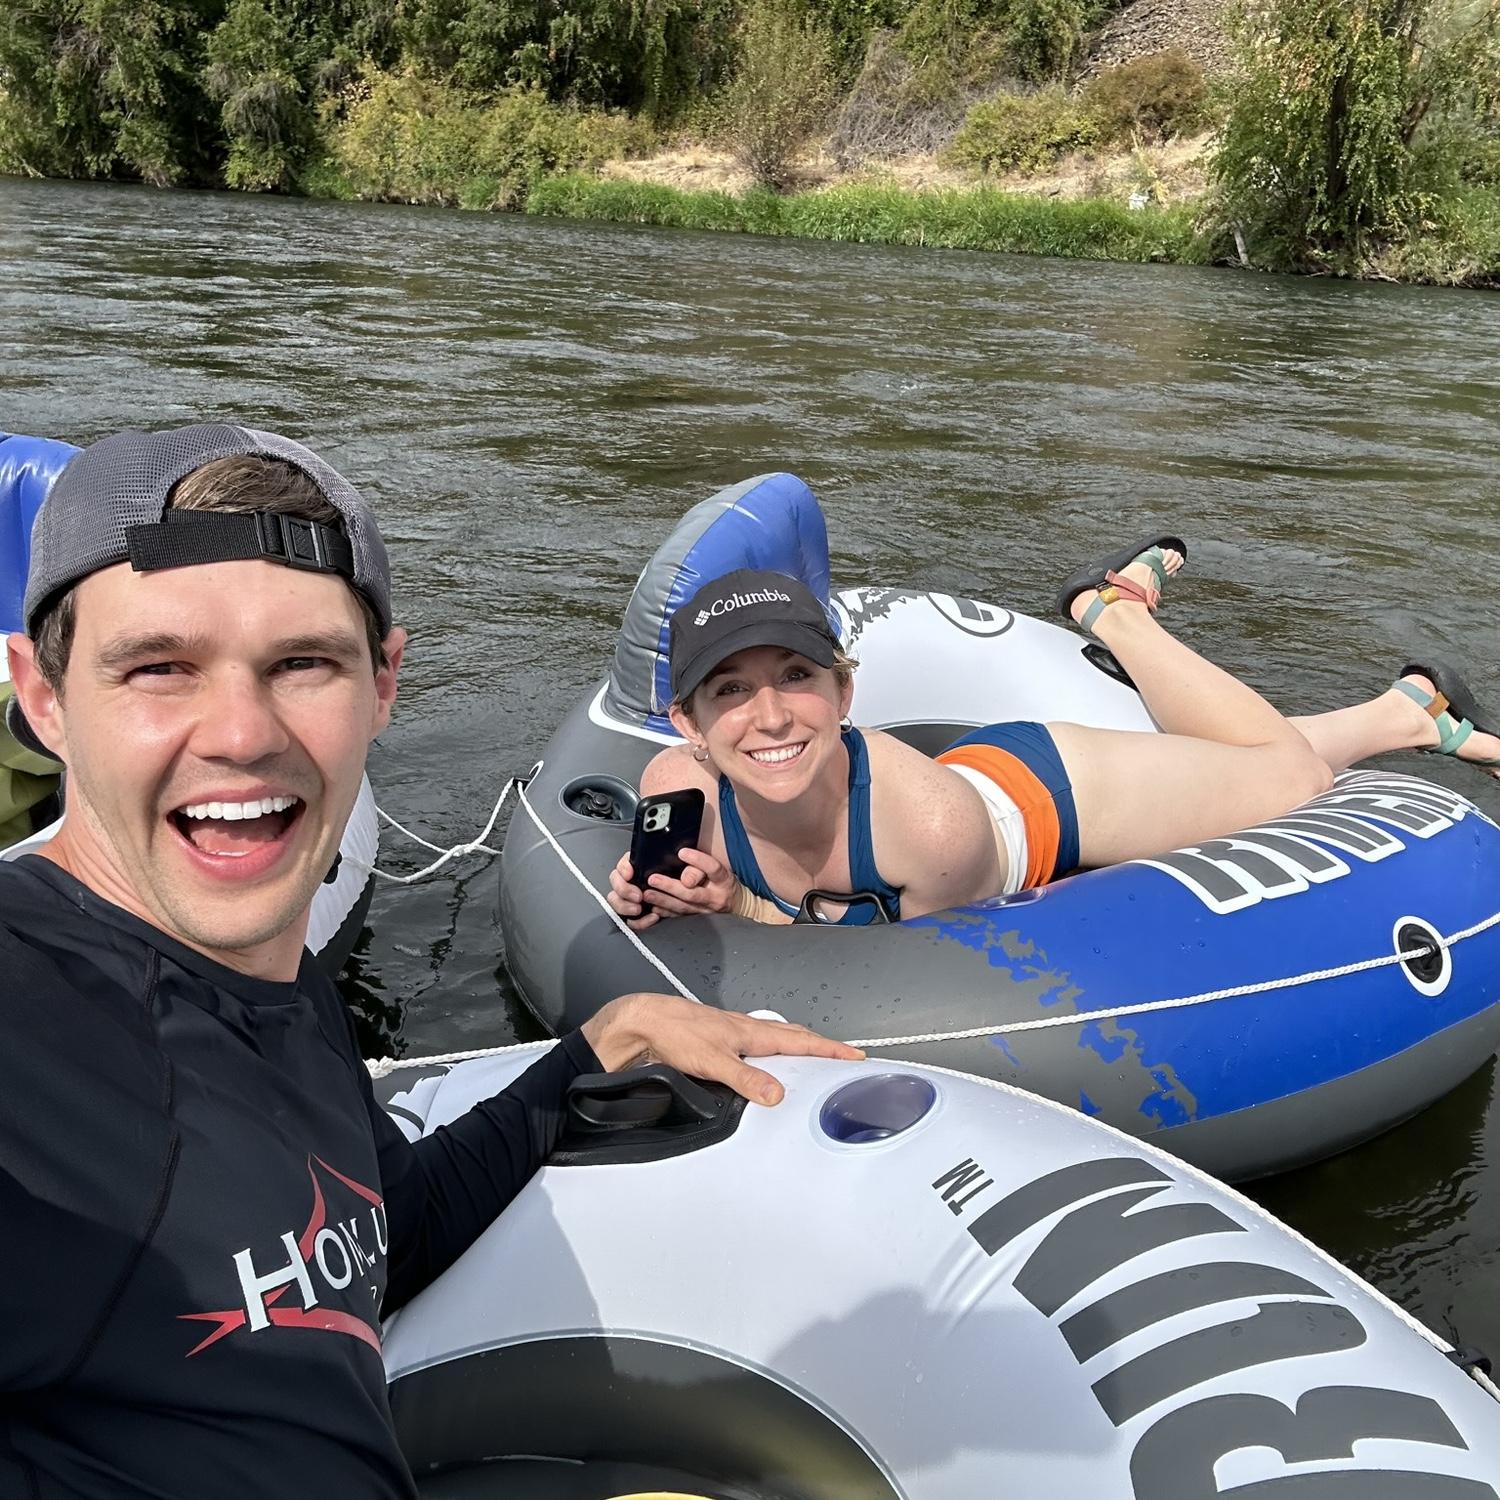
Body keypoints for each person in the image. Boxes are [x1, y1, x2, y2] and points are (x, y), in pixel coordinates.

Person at [0, 424, 862, 1499]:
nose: (241, 733)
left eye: (302, 663)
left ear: (384, 683)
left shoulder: (280, 984)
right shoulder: (31, 1014)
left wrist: (590, 1051)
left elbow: (376, 1240)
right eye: (158, 668)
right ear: (43, 697)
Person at [607, 551, 1500, 927]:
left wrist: (740, 908)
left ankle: (1115, 611)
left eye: (797, 678)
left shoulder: (930, 834)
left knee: (1291, 777)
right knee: (1238, 768)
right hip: (954, 785)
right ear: (687, 724)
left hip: (1040, 798)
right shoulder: (675, 794)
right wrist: (674, 897)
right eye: (730, 691)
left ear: (844, 692)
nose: (768, 718)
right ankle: (1411, 713)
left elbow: (888, 976)